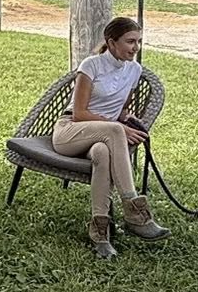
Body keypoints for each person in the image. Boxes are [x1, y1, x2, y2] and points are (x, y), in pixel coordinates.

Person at [53, 15, 169, 259]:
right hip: (70, 132)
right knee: (115, 130)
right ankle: (134, 211)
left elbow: (120, 109)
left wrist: (125, 119)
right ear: (112, 42)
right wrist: (116, 127)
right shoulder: (91, 65)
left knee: (102, 155)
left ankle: (100, 233)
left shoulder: (134, 70)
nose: (135, 48)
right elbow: (80, 114)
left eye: (138, 41)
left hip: (101, 138)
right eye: (129, 41)